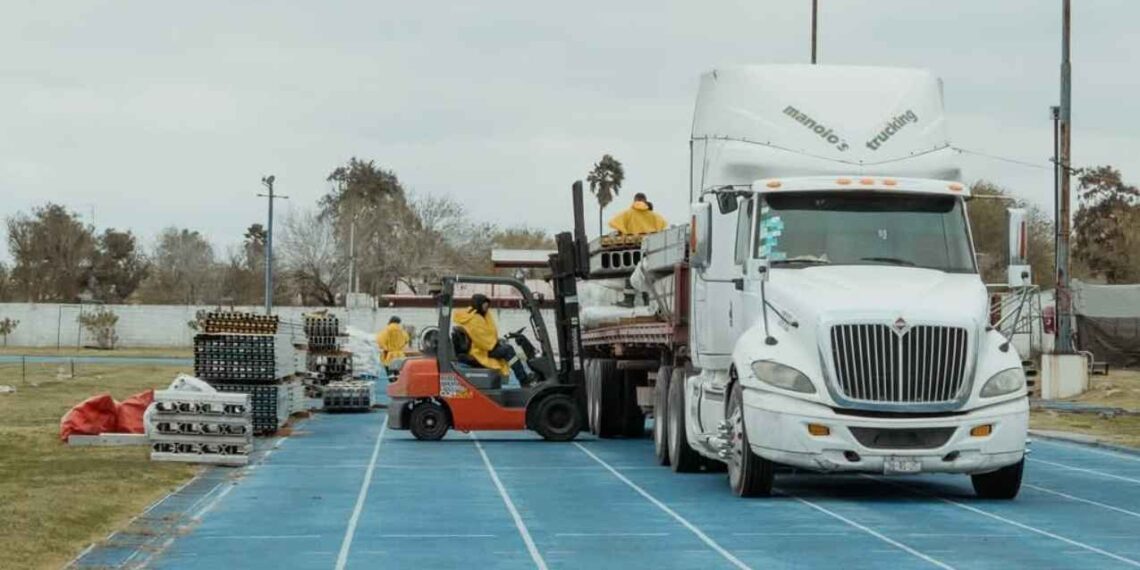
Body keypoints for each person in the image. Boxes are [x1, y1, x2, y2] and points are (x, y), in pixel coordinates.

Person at [452, 294, 533, 385]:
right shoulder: (475, 319)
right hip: (480, 350)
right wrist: (496, 343)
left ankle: (522, 377)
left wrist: (497, 341)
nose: (486, 306)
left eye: (487, 304)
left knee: (506, 348)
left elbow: (487, 334)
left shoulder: (479, 315)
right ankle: (523, 379)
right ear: (478, 304)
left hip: (485, 347)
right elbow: (482, 340)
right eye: (484, 304)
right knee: (508, 350)